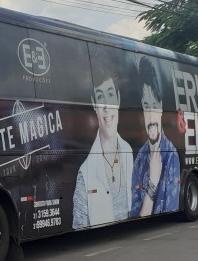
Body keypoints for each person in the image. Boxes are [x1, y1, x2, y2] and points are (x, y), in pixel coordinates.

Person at [73, 61, 133, 229]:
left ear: (119, 99)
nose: (107, 106)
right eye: (100, 97)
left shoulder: (129, 152)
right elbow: (79, 226)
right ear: (94, 105)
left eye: (110, 95)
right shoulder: (85, 174)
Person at [130, 56, 180, 217]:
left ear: (161, 108)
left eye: (154, 106)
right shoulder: (140, 159)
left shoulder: (171, 156)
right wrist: (153, 181)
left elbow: (169, 208)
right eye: (146, 107)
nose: (151, 116)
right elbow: (136, 212)